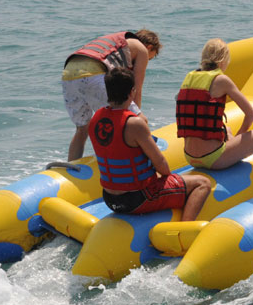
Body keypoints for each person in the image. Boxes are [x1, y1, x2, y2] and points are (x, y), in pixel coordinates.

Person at [88, 68, 210, 221]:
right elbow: (161, 164)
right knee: (202, 183)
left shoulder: (95, 119)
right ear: (132, 92)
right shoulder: (134, 124)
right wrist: (169, 181)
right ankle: (183, 232)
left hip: (110, 199)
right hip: (138, 199)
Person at [62, 29, 161, 161]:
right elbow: (136, 88)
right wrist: (135, 117)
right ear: (149, 47)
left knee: (82, 129)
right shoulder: (141, 49)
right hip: (93, 74)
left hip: (68, 74)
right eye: (151, 57)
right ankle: (141, 161)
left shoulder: (120, 43)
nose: (148, 60)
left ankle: (72, 167)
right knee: (141, 120)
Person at [176, 39, 253, 169]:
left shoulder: (189, 77)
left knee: (227, 129)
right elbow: (250, 114)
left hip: (189, 157)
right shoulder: (221, 80)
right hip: (214, 158)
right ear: (223, 61)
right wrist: (238, 139)